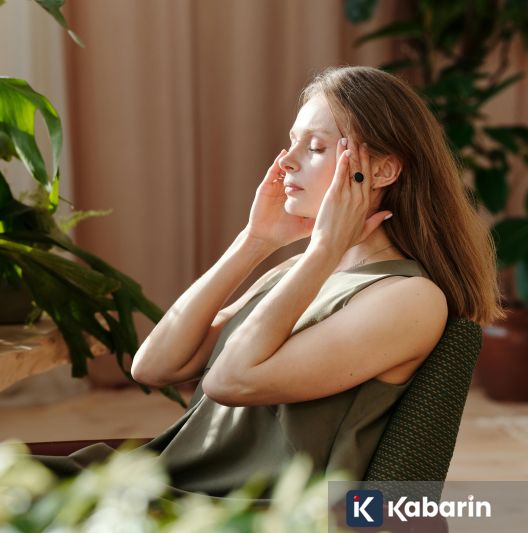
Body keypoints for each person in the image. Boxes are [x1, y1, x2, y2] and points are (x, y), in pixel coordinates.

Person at [29, 65, 506, 499]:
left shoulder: (408, 299)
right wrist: (254, 241)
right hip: (157, 481)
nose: (286, 163)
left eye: (315, 147)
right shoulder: (300, 272)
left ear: (381, 170)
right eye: (292, 142)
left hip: (229, 511)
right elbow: (153, 367)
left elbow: (229, 380)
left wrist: (320, 252)